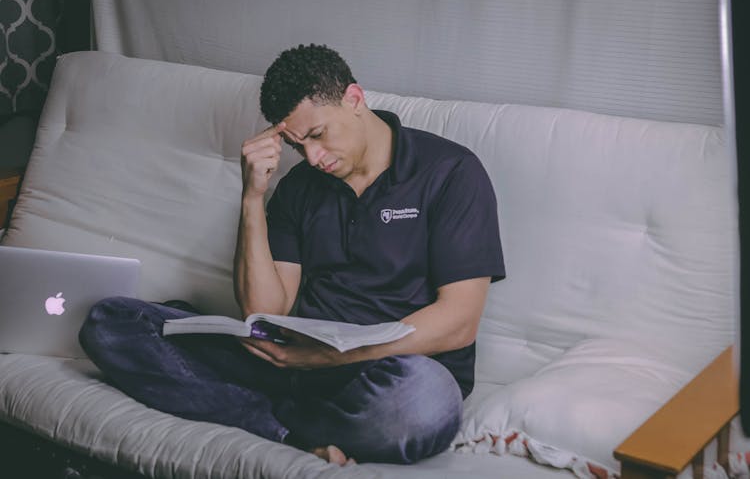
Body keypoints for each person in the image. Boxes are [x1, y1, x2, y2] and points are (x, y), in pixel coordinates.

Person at [79, 44, 505, 466]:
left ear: (354, 99)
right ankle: (285, 429)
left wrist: (331, 356)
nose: (313, 158)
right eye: (298, 146)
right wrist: (252, 195)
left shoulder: (450, 172)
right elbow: (264, 311)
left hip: (387, 373)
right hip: (293, 362)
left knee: (422, 404)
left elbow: (459, 322)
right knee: (111, 322)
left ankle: (271, 418)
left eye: (318, 135)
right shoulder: (300, 187)